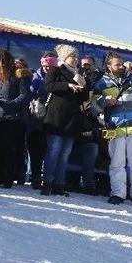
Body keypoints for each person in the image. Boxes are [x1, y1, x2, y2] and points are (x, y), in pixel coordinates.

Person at [94, 51, 132, 205]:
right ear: (109, 66)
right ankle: (118, 194)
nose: (121, 67)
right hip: (115, 129)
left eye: (122, 64)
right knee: (116, 163)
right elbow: (93, 107)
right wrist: (104, 101)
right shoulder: (101, 83)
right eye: (117, 64)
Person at [41, 44, 89, 196]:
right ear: (64, 57)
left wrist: (83, 86)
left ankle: (59, 185)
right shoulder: (56, 70)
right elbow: (48, 86)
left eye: (76, 56)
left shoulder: (79, 74)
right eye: (72, 56)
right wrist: (67, 85)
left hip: (72, 120)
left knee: (65, 154)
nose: (75, 59)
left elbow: (85, 97)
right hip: (56, 118)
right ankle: (47, 183)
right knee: (53, 151)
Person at [0, 49, 30, 189]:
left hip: (12, 119)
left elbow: (24, 96)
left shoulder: (19, 75)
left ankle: (8, 178)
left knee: (9, 149)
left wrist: (10, 105)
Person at [27, 52, 57, 189]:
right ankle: (36, 177)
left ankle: (50, 178)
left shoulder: (58, 77)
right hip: (36, 120)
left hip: (52, 120)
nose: (47, 68)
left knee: (50, 151)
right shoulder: (36, 77)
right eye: (45, 65)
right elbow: (30, 94)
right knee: (36, 151)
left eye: (50, 66)